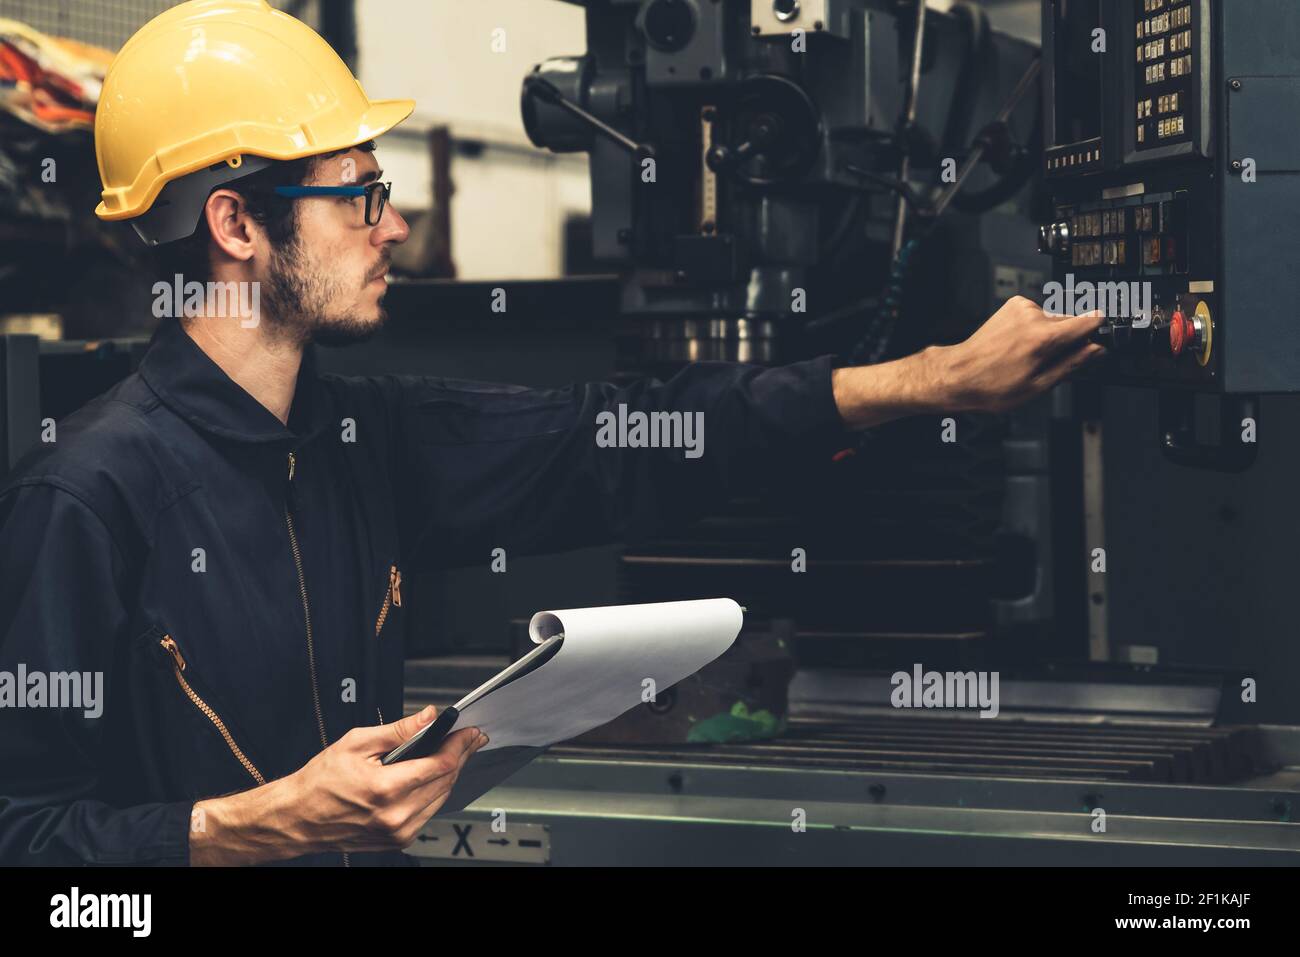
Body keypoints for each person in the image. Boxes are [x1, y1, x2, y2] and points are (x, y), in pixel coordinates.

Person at [0, 0, 1103, 866]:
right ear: (237, 223)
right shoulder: (87, 498)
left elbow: (629, 440)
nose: (393, 224)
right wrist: (245, 829)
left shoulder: (356, 437)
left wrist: (929, 380)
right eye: (360, 195)